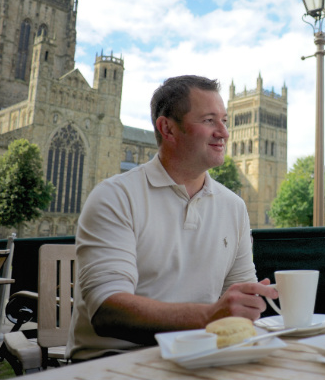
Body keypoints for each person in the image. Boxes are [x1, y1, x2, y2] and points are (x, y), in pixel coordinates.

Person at [67, 75, 278, 360]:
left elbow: (238, 297)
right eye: (208, 121)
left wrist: (246, 305)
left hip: (200, 355)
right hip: (115, 359)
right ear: (167, 128)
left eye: (224, 121)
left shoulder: (234, 207)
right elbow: (107, 311)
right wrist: (209, 316)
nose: (224, 133)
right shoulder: (115, 196)